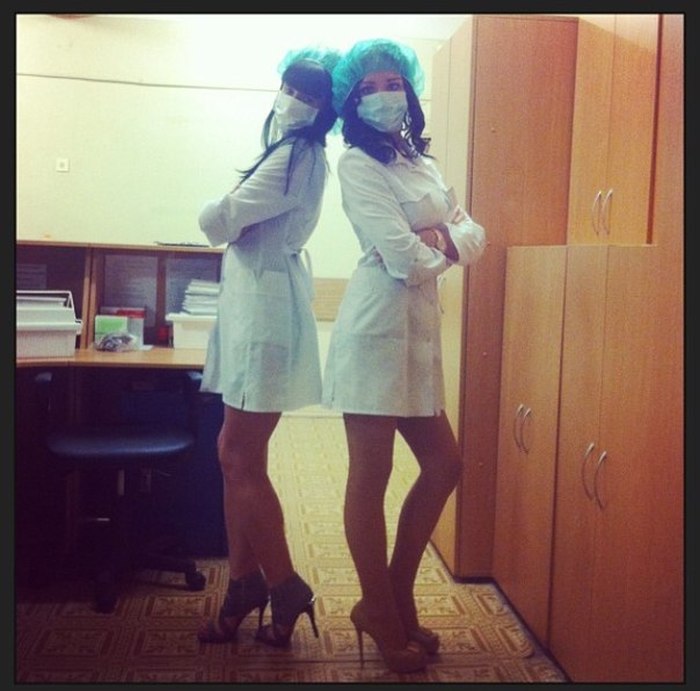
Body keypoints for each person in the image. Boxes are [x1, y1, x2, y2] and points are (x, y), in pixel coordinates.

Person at [322, 38, 486, 672]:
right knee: (372, 477)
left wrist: (440, 236)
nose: (382, 95)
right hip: (374, 332)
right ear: (351, 104)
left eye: (392, 83)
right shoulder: (357, 165)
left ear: (409, 91)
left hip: (419, 336)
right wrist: (447, 241)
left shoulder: (421, 163)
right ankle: (383, 612)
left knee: (444, 464)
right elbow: (402, 259)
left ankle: (392, 597)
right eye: (366, 88)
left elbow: (476, 231)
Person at [196, 45, 340, 648]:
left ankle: (282, 585)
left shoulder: (298, 156)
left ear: (325, 109)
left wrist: (219, 213)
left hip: (265, 312)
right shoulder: (287, 153)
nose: (295, 100)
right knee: (234, 453)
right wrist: (230, 217)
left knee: (238, 454)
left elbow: (220, 218)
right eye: (290, 88)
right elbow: (234, 220)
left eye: (309, 95)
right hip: (254, 307)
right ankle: (244, 583)